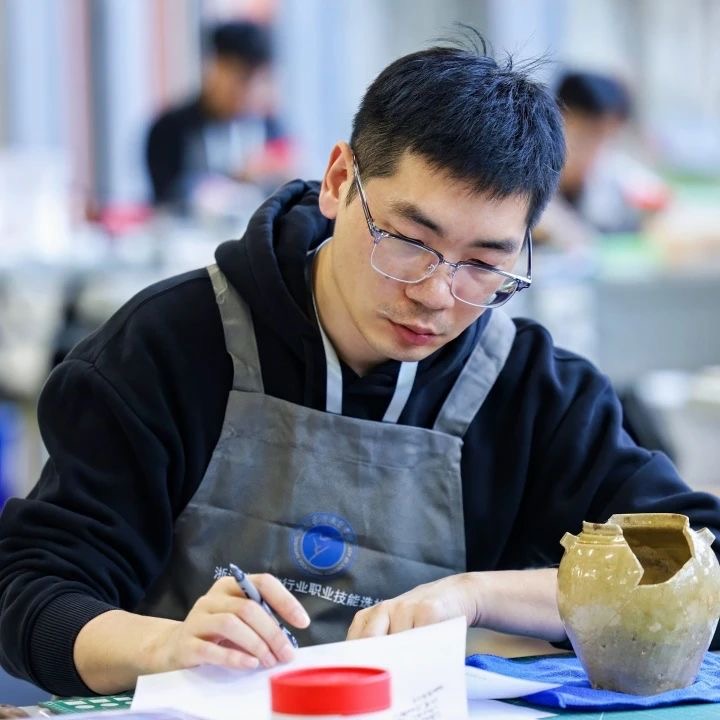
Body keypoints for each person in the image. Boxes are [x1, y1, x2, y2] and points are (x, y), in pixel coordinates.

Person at [1, 37, 719, 698]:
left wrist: (477, 596)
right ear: (340, 180)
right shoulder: (168, 345)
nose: (436, 295)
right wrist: (167, 645)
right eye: (410, 241)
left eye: (484, 264)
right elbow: (29, 589)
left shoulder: (533, 390)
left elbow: (693, 562)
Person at [146, 20, 290, 211]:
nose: (246, 91)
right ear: (214, 67)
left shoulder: (269, 126)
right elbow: (167, 198)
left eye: (256, 81)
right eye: (239, 78)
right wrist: (238, 178)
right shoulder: (169, 129)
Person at [535, 70, 669, 248]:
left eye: (608, 138)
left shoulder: (613, 174)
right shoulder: (528, 178)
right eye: (587, 134)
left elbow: (668, 208)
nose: (597, 149)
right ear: (554, 123)